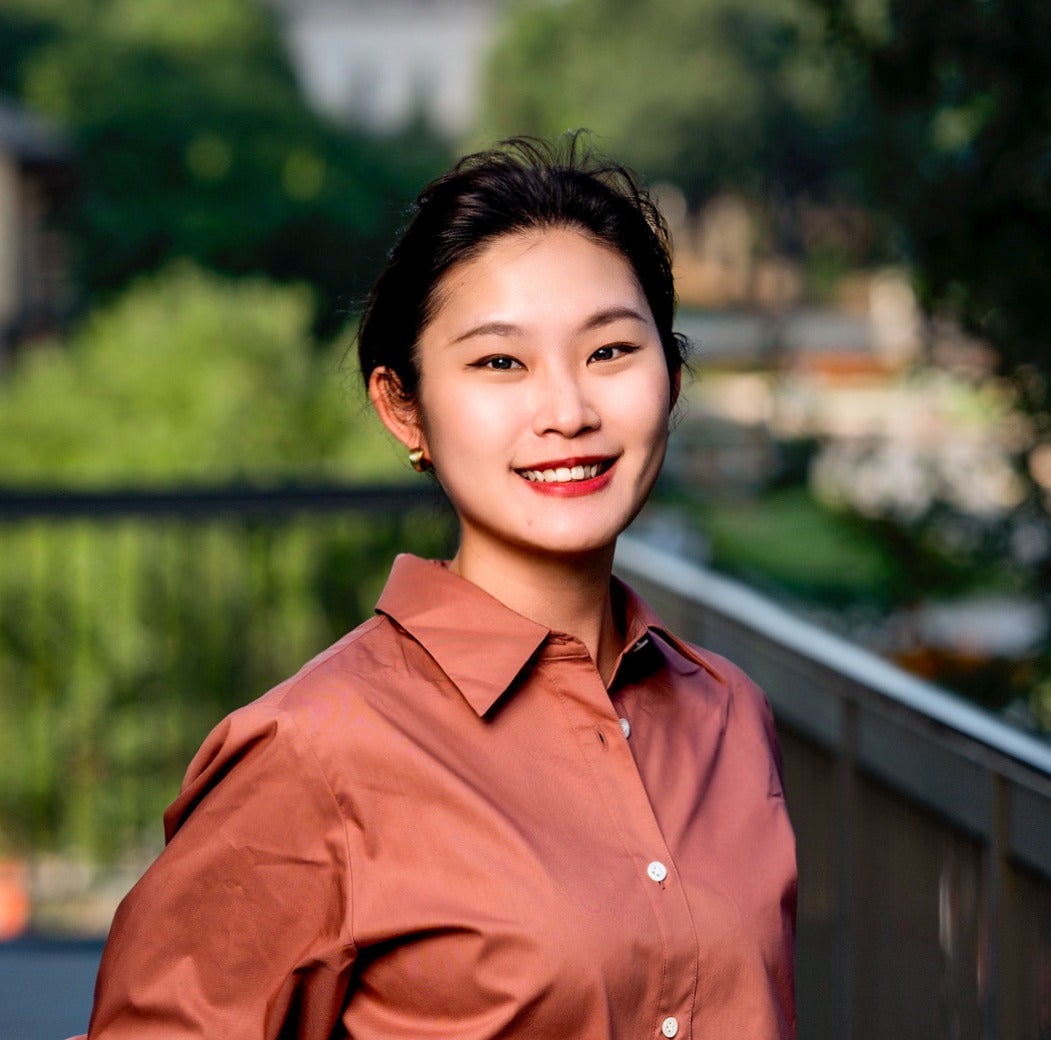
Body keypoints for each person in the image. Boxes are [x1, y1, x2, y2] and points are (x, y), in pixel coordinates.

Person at [77, 135, 796, 1039]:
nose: (567, 411)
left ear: (672, 377)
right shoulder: (312, 752)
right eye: (500, 363)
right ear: (403, 407)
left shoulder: (731, 717)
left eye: (610, 351)